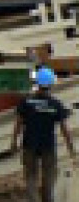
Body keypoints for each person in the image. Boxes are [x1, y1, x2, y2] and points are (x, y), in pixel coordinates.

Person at [12, 66, 75, 202]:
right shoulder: (55, 104)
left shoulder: (26, 102)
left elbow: (18, 123)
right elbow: (64, 129)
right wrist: (71, 148)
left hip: (29, 144)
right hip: (48, 145)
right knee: (49, 177)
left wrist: (13, 142)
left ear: (37, 83)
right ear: (51, 84)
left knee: (30, 177)